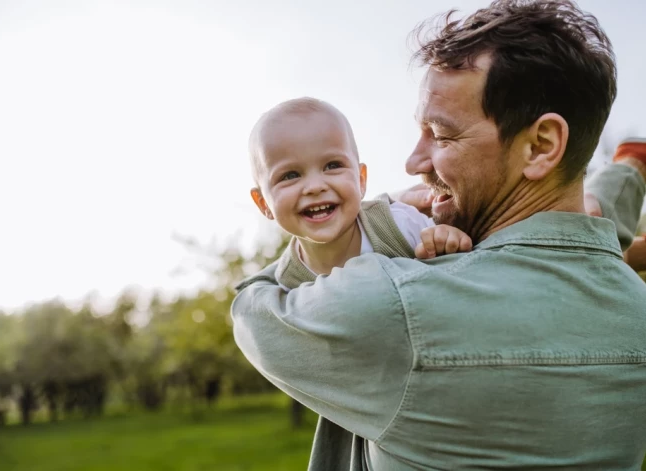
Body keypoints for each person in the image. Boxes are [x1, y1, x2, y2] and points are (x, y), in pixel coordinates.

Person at [233, 1, 646, 469]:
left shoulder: (391, 302)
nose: (413, 162)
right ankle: (631, 168)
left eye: (441, 136)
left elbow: (253, 310)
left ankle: (630, 168)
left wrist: (368, 222)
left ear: (541, 145)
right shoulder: (635, 307)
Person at [247, 97, 472, 290]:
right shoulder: (288, 281)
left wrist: (445, 240)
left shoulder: (397, 224)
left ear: (361, 180)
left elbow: (456, 266)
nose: (315, 186)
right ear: (263, 204)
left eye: (332, 165)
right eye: (290, 175)